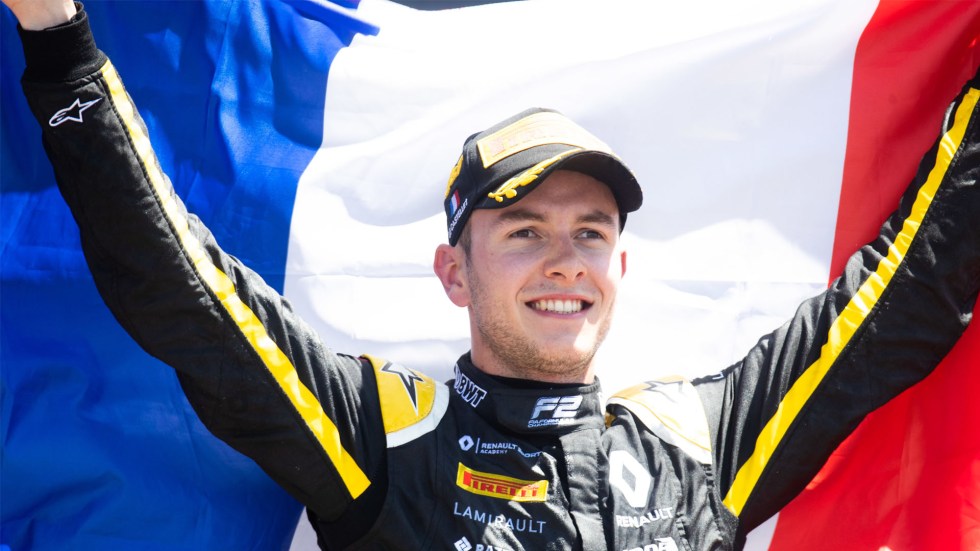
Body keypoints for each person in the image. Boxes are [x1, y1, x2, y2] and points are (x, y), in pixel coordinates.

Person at [5, 1, 979, 550]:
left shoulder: (697, 442)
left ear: (620, 265)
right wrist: (59, 42)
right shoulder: (384, 437)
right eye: (523, 230)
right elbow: (180, 289)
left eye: (589, 232)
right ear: (453, 271)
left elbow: (901, 301)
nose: (563, 260)